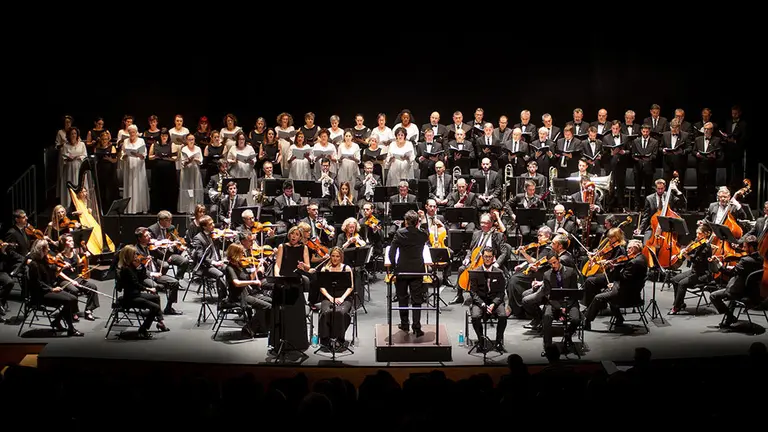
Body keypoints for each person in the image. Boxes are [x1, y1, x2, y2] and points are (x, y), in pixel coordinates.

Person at [584, 239, 647, 330]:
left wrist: (614, 276)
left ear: (634, 249)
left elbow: (624, 278)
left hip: (628, 296)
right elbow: (629, 278)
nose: (627, 250)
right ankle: (619, 318)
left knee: (598, 297)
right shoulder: (642, 258)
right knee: (606, 291)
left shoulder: (634, 262)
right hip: (633, 291)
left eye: (629, 248)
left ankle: (587, 321)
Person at [298, 247, 354, 349]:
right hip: (328, 297)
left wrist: (342, 298)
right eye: (333, 256)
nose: (335, 258)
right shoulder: (325, 269)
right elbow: (322, 287)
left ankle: (338, 339)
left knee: (341, 312)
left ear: (341, 257)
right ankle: (326, 339)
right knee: (326, 312)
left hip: (344, 297)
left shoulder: (347, 268)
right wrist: (330, 298)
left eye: (337, 256)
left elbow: (351, 287)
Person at [26, 240, 83, 336]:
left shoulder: (44, 261)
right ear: (42, 250)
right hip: (40, 294)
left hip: (48, 289)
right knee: (68, 301)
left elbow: (52, 275)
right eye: (47, 248)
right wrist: (52, 289)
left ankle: (57, 321)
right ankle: (70, 329)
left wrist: (62, 267)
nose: (49, 249)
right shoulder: (34, 264)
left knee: (73, 299)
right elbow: (37, 283)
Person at [388, 210, 429, 336]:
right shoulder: (422, 234)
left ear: (406, 222)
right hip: (417, 270)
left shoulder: (400, 233)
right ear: (417, 222)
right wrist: (423, 220)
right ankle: (417, 327)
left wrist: (394, 266)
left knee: (402, 298)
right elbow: (426, 232)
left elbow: (392, 252)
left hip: (402, 270)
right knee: (417, 299)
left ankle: (404, 324)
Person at [709, 235, 764, 328]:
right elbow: (745, 270)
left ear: (751, 247)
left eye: (745, 246)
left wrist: (718, 263)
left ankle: (730, 316)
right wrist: (737, 268)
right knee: (733, 288)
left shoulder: (745, 260)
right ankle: (729, 319)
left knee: (713, 296)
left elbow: (729, 273)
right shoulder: (761, 258)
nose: (743, 248)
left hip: (742, 292)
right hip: (754, 292)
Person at [116, 245, 170, 338]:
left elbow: (141, 278)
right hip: (130, 298)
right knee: (155, 307)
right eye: (134, 254)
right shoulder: (126, 269)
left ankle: (160, 322)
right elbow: (136, 284)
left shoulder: (131, 267)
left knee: (156, 297)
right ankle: (143, 330)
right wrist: (148, 289)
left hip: (136, 294)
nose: (136, 256)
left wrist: (141, 267)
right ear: (129, 256)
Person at [225, 243, 272, 337]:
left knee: (272, 301)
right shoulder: (230, 268)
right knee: (267, 306)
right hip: (239, 296)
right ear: (235, 254)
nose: (243, 255)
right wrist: (253, 282)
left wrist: (257, 268)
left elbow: (249, 277)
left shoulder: (240, 265)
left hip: (247, 293)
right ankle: (249, 328)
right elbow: (237, 283)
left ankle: (263, 327)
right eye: (241, 253)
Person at [468, 247, 508, 352]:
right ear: (482, 257)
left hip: (495, 301)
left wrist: (493, 304)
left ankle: (498, 342)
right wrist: (482, 304)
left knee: (503, 316)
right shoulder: (475, 272)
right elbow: (473, 292)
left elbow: (501, 292)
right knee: (475, 316)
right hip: (480, 301)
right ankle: (481, 340)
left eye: (490, 257)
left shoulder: (499, 272)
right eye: (485, 256)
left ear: (493, 258)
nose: (487, 259)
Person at [539, 253, 580, 351]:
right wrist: (560, 308)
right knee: (547, 316)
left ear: (559, 260)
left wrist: (566, 307)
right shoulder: (547, 275)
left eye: (554, 262)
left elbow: (574, 292)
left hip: (570, 302)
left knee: (575, 319)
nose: (553, 265)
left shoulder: (571, 272)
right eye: (550, 264)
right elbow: (548, 295)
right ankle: (548, 346)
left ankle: (568, 336)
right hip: (554, 303)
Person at [668, 224, 713, 314]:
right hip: (694, 271)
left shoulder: (706, 247)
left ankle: (676, 307)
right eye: (697, 233)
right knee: (674, 279)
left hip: (702, 274)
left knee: (681, 284)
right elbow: (690, 251)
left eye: (699, 233)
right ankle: (680, 303)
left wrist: (687, 256)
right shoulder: (698, 243)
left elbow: (697, 261)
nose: (697, 235)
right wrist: (678, 254)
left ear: (705, 234)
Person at [55, 233, 100, 321]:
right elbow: (59, 273)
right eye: (69, 241)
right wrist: (71, 281)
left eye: (72, 240)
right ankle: (73, 311)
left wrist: (86, 257)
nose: (72, 242)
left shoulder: (75, 252)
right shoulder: (59, 256)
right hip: (64, 280)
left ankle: (88, 310)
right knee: (74, 290)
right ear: (64, 243)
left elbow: (79, 263)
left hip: (76, 278)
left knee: (92, 287)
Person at [147, 210, 190, 281]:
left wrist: (179, 245)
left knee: (185, 261)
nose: (170, 222)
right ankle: (160, 281)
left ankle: (177, 279)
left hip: (169, 253)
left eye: (171, 220)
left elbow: (176, 238)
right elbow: (152, 247)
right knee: (165, 266)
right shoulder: (152, 229)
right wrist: (166, 256)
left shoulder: (171, 228)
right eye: (168, 220)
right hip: (157, 256)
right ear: (161, 220)